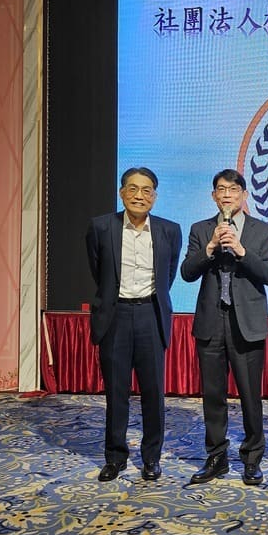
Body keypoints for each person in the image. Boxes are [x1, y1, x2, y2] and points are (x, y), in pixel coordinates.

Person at [181, 169, 268, 485]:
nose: (227, 195)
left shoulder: (262, 230)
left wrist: (241, 250)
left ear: (244, 195)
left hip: (246, 323)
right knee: (213, 395)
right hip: (211, 322)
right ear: (213, 196)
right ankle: (216, 456)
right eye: (221, 189)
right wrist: (209, 247)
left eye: (233, 189)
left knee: (250, 394)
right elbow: (187, 272)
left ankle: (252, 458)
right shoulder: (200, 229)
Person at [85, 167, 182, 483]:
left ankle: (151, 458)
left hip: (151, 315)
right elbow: (98, 270)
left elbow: (168, 275)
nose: (139, 196)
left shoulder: (169, 230)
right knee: (117, 392)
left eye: (146, 190)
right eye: (133, 189)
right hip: (116, 316)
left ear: (154, 196)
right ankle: (115, 457)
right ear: (122, 192)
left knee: (154, 393)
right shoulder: (101, 227)